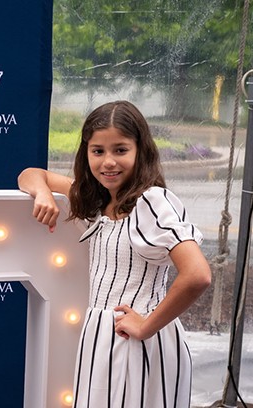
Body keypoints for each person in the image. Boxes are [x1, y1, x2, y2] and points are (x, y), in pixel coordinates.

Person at [18, 100, 211, 407]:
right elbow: (30, 174)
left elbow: (197, 275)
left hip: (136, 339)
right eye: (98, 151)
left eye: (120, 150)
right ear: (87, 153)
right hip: (101, 336)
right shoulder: (98, 202)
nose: (108, 162)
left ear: (141, 151)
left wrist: (146, 326)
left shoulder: (151, 201)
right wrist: (42, 193)